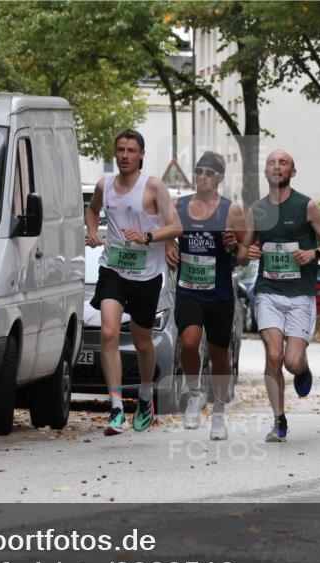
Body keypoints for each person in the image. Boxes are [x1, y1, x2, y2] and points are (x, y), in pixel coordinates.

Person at [85, 129, 183, 436]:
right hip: (113, 268)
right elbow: (92, 211)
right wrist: (92, 232)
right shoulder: (104, 186)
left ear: (141, 155)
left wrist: (148, 237)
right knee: (109, 333)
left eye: (130, 150)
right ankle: (116, 409)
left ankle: (144, 395)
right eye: (120, 150)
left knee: (142, 342)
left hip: (147, 273)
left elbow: (176, 226)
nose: (125, 155)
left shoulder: (153, 186)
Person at [243, 150, 320, 442]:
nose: (277, 166)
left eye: (283, 163)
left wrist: (314, 253)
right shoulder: (257, 210)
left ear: (292, 172)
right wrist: (247, 251)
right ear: (265, 172)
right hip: (268, 292)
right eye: (272, 163)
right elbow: (241, 252)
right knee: (273, 355)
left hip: (299, 295)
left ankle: (303, 368)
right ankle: (279, 420)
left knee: (291, 362)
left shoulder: (306, 206)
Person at [164, 151, 247, 440]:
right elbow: (166, 232)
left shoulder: (231, 211)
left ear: (220, 177)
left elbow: (245, 255)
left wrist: (235, 246)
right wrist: (169, 246)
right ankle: (195, 393)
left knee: (219, 355)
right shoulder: (179, 205)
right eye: (199, 171)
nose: (202, 177)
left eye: (209, 173)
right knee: (189, 342)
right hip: (188, 289)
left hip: (219, 293)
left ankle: (220, 411)